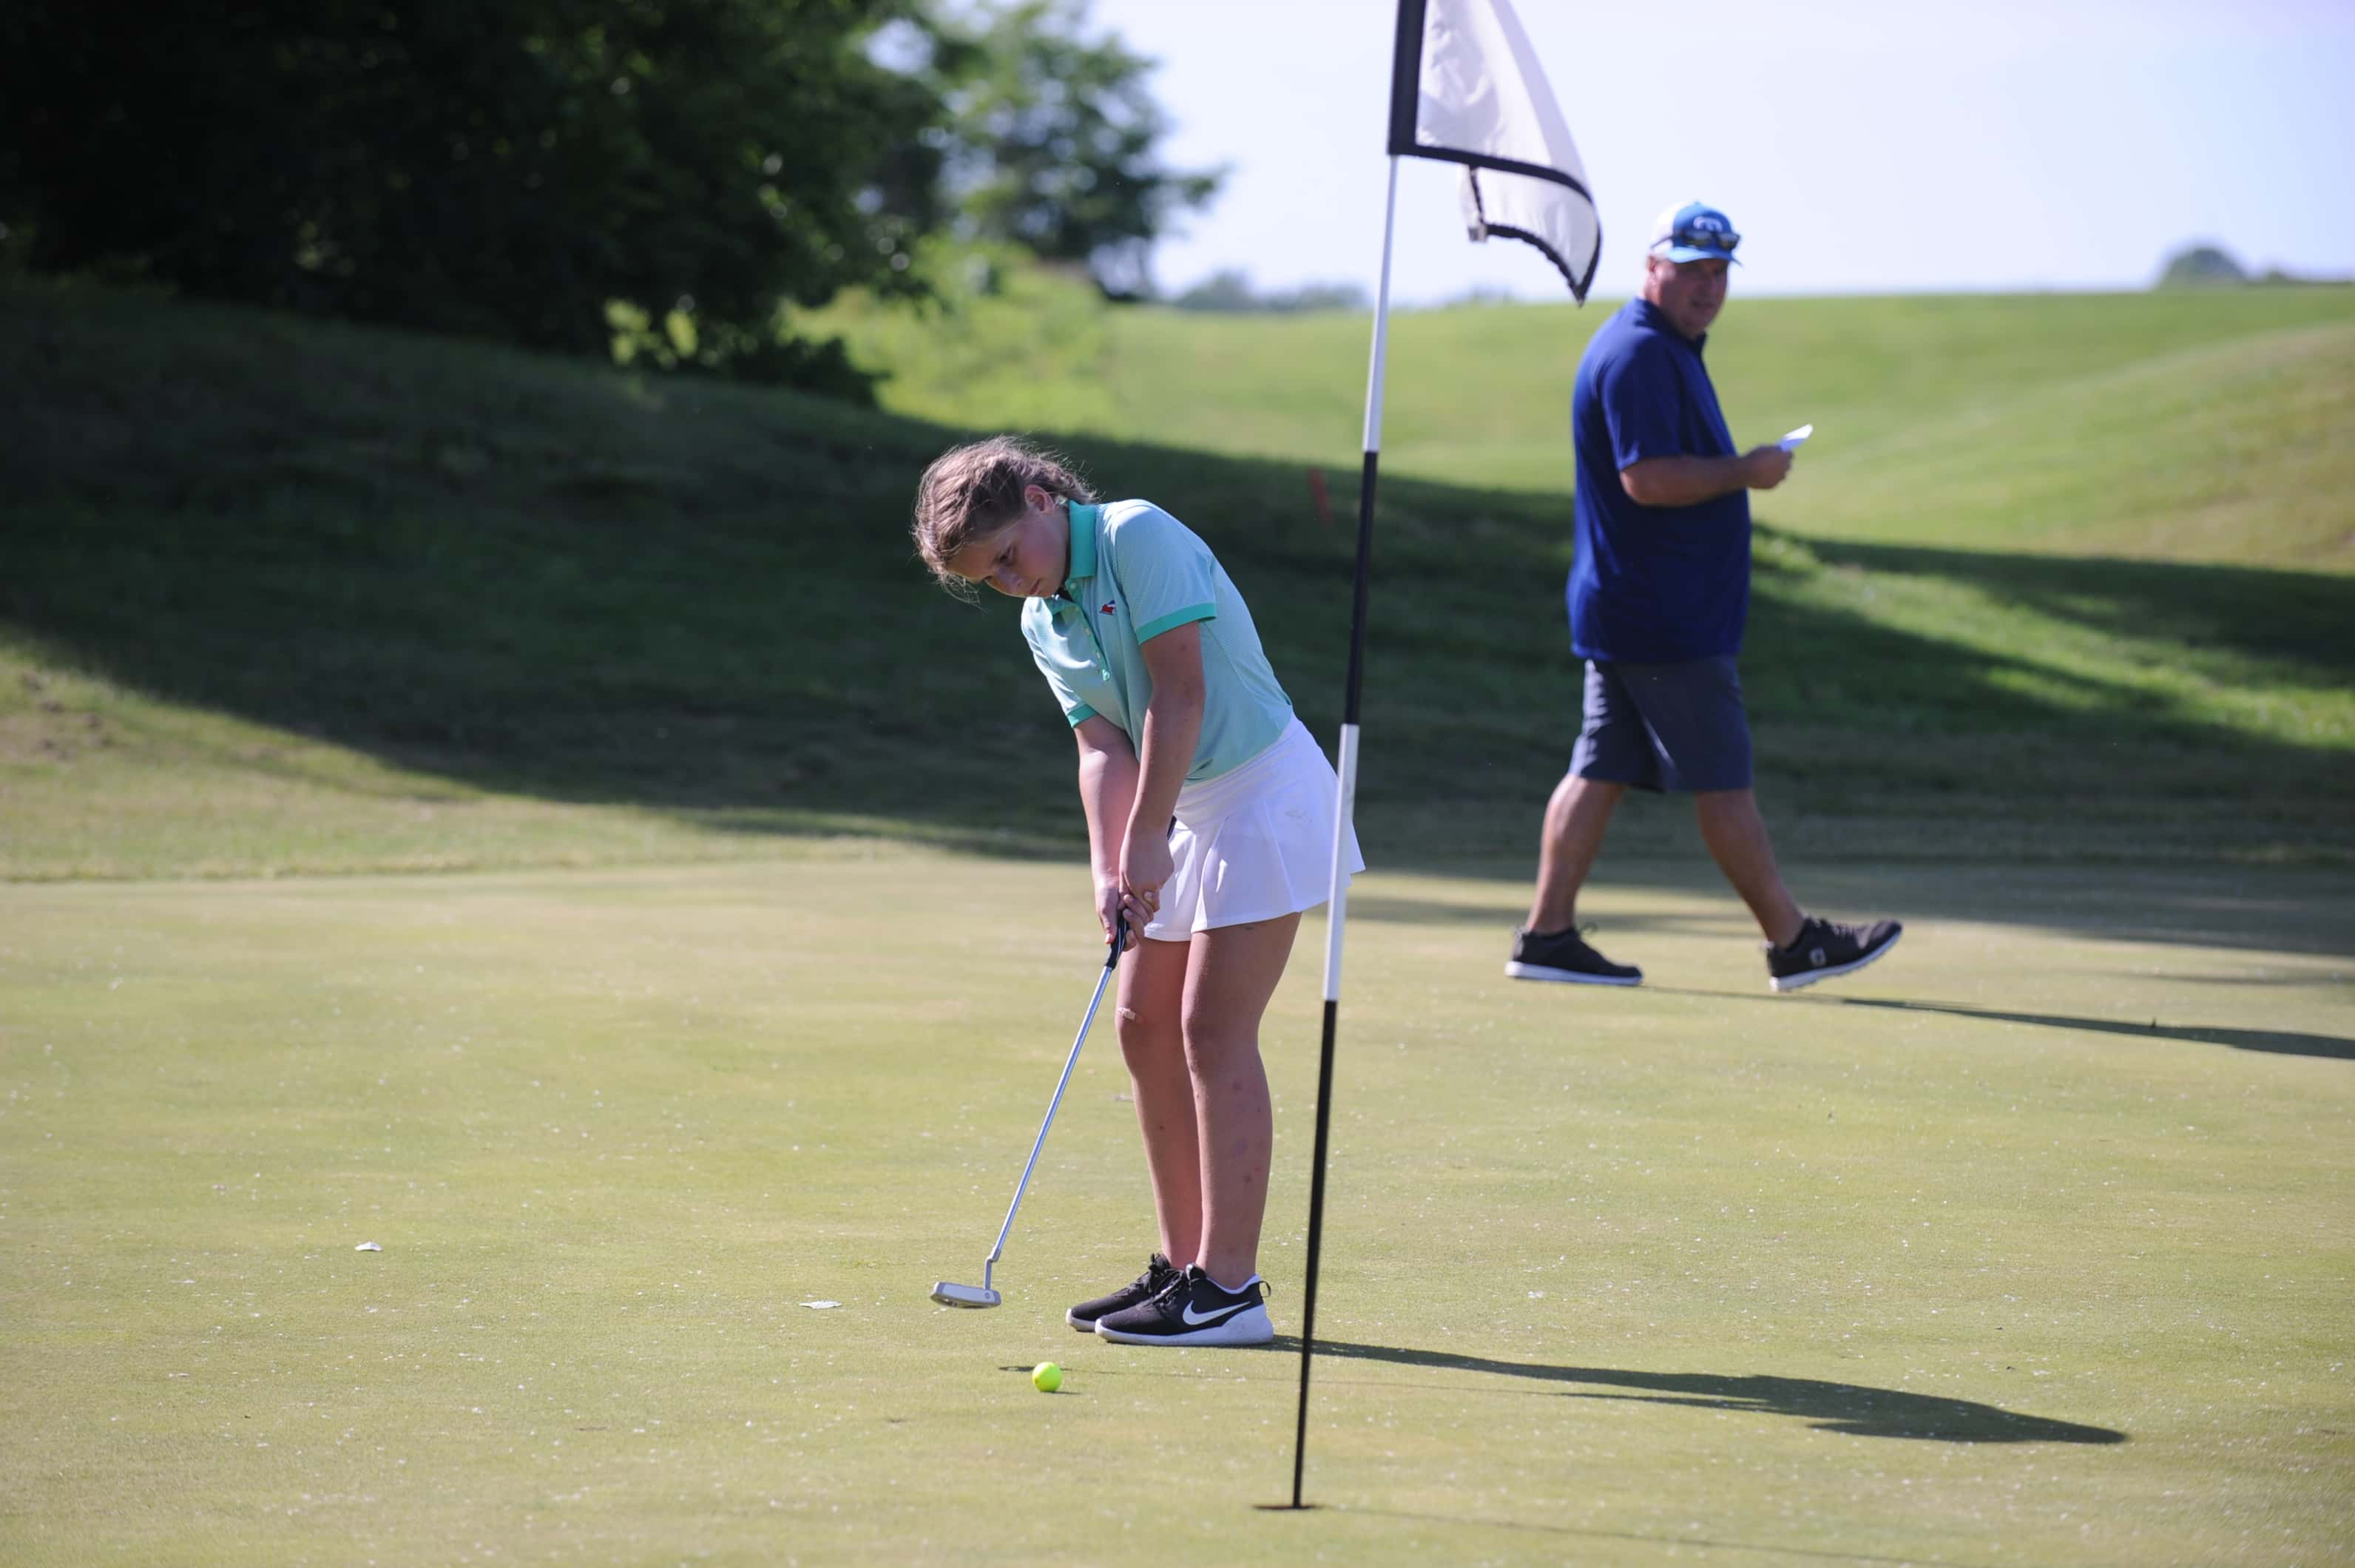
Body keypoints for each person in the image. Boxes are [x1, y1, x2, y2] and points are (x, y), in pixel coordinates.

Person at [912, 436, 1363, 1346]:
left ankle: (1230, 1289)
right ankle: (1182, 1264)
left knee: (1209, 1025)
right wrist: (1112, 865)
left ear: (1042, 498)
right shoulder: (1044, 619)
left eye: (1007, 556)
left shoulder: (1136, 535)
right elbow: (1100, 749)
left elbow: (1180, 694)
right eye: (988, 579)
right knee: (1140, 1021)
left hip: (1259, 790)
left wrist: (1150, 833)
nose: (1010, 583)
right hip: (1178, 805)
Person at [1507, 202, 1901, 993]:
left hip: (1637, 607)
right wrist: (1745, 470)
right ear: (1652, 267)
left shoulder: (1664, 348)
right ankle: (1792, 942)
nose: (1706, 286)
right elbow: (1645, 478)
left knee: (1598, 767)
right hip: (1660, 618)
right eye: (1690, 268)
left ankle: (1547, 934)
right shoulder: (1642, 355)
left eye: (1718, 272)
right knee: (1722, 778)